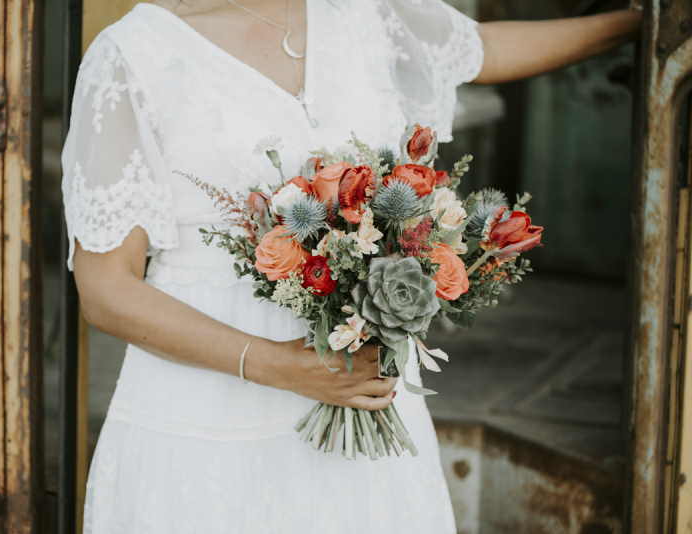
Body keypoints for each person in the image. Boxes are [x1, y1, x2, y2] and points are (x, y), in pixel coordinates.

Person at [61, 1, 641, 532]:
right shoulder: (133, 56)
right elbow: (107, 287)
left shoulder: (364, 12)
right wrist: (274, 365)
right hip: (205, 427)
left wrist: (642, 19)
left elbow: (477, 49)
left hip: (370, 416)